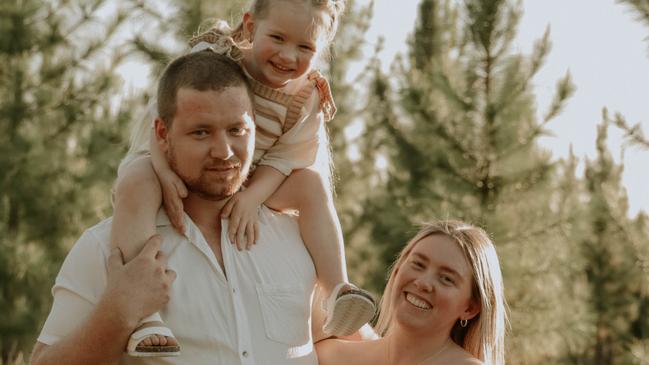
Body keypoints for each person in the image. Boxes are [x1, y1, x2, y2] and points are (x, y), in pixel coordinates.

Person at [111, 0, 375, 356]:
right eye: (278, 38)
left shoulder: (304, 96)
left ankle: (338, 289)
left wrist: (252, 198)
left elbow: (286, 158)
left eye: (305, 47)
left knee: (312, 184)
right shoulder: (218, 56)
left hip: (250, 180)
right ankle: (145, 315)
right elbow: (162, 114)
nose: (288, 55)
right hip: (177, 162)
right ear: (250, 27)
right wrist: (162, 170)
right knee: (134, 180)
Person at [32, 50, 325, 364]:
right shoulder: (107, 248)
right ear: (162, 134)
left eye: (237, 130)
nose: (224, 151)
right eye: (201, 132)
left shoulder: (299, 237)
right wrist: (118, 311)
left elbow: (329, 345)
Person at [316, 221, 508, 365]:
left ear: (470, 308)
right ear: (398, 270)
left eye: (447, 278)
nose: (423, 283)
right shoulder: (331, 357)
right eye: (418, 264)